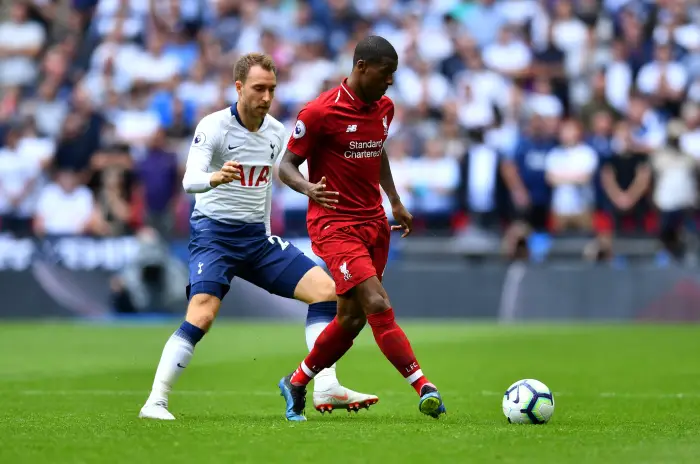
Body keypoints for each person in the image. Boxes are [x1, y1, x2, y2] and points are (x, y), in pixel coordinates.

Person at [139, 53, 378, 421]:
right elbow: (189, 180)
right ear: (238, 87)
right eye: (258, 89)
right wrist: (213, 179)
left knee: (328, 293)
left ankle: (326, 383)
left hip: (257, 239)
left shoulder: (276, 132)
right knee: (202, 315)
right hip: (214, 235)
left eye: (271, 89)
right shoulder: (214, 126)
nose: (266, 97)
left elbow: (277, 181)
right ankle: (155, 400)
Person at [277, 36, 446, 421]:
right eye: (386, 74)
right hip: (334, 224)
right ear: (362, 67)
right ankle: (424, 387)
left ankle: (297, 381)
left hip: (373, 222)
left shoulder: (384, 108)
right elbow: (285, 166)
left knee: (350, 319)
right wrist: (306, 187)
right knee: (377, 303)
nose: (390, 82)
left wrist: (395, 200)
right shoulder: (319, 112)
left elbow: (378, 147)